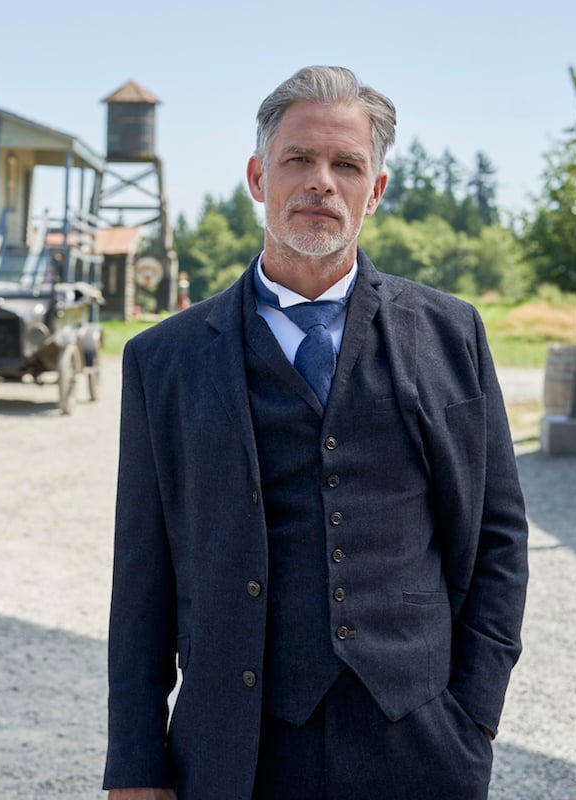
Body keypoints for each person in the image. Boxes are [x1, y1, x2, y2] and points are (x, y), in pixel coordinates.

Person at [102, 66, 529, 800]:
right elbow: (142, 576)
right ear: (257, 177)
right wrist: (135, 765)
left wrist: (475, 716)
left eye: (346, 165)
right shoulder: (161, 361)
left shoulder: (450, 333)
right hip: (235, 752)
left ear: (377, 190)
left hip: (419, 746)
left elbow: (499, 537)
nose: (321, 182)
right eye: (298, 159)